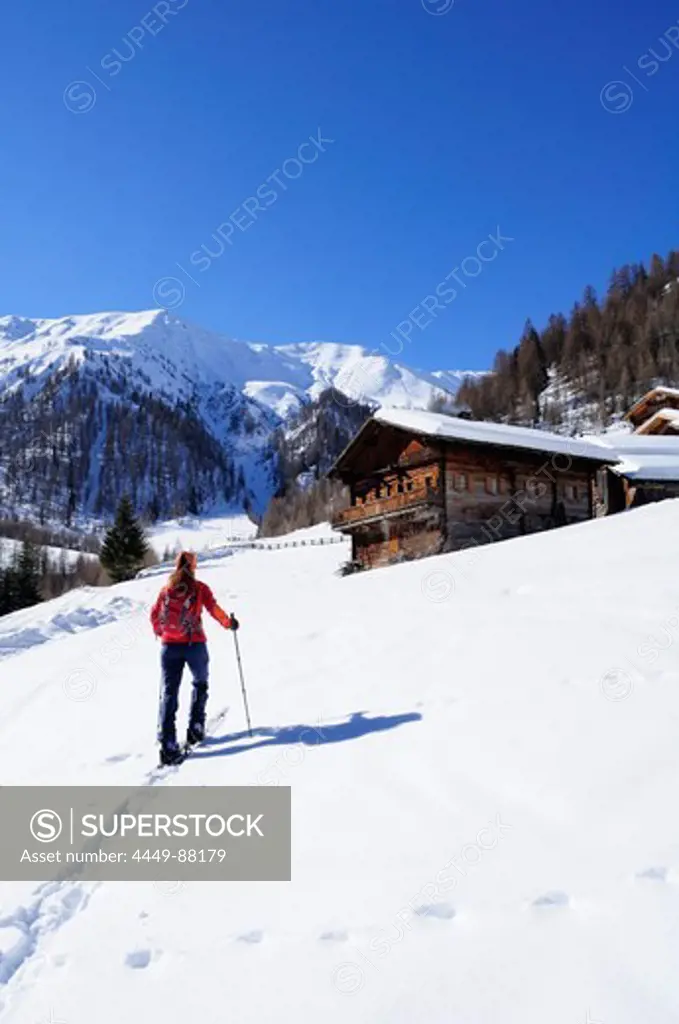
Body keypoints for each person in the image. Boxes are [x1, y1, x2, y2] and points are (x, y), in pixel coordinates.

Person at [150, 551, 239, 765]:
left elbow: (154, 615)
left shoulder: (166, 589)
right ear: (193, 566)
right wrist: (229, 623)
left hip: (169, 647)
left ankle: (168, 744)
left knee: (169, 693)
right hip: (194, 645)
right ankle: (196, 728)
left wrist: (162, 633)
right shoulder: (199, 589)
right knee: (200, 682)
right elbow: (213, 609)